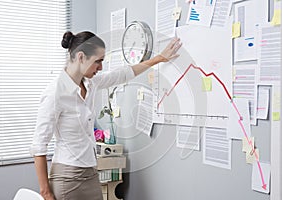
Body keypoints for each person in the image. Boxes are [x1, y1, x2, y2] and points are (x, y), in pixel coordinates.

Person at [30, 30, 182, 200]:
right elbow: (39, 146)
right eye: (98, 61)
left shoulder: (91, 84)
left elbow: (123, 74)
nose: (101, 67)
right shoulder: (55, 94)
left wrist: (159, 58)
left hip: (91, 173)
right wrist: (46, 193)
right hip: (67, 178)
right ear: (81, 57)